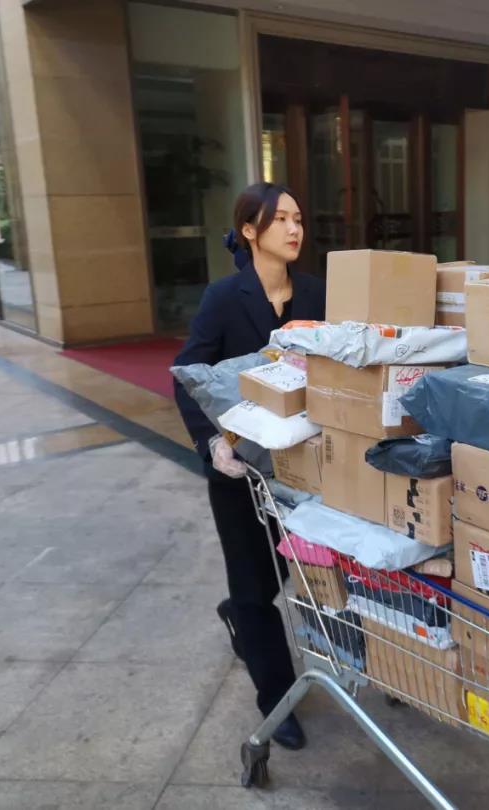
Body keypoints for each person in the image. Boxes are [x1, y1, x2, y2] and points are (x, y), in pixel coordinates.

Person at [172, 183, 324, 750]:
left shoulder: (315, 292)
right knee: (255, 586)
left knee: (285, 568)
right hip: (238, 467)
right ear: (250, 231)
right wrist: (212, 442)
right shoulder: (224, 297)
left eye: (298, 218)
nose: (294, 228)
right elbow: (187, 373)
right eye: (280, 219)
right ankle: (276, 700)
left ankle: (237, 612)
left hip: (302, 466)